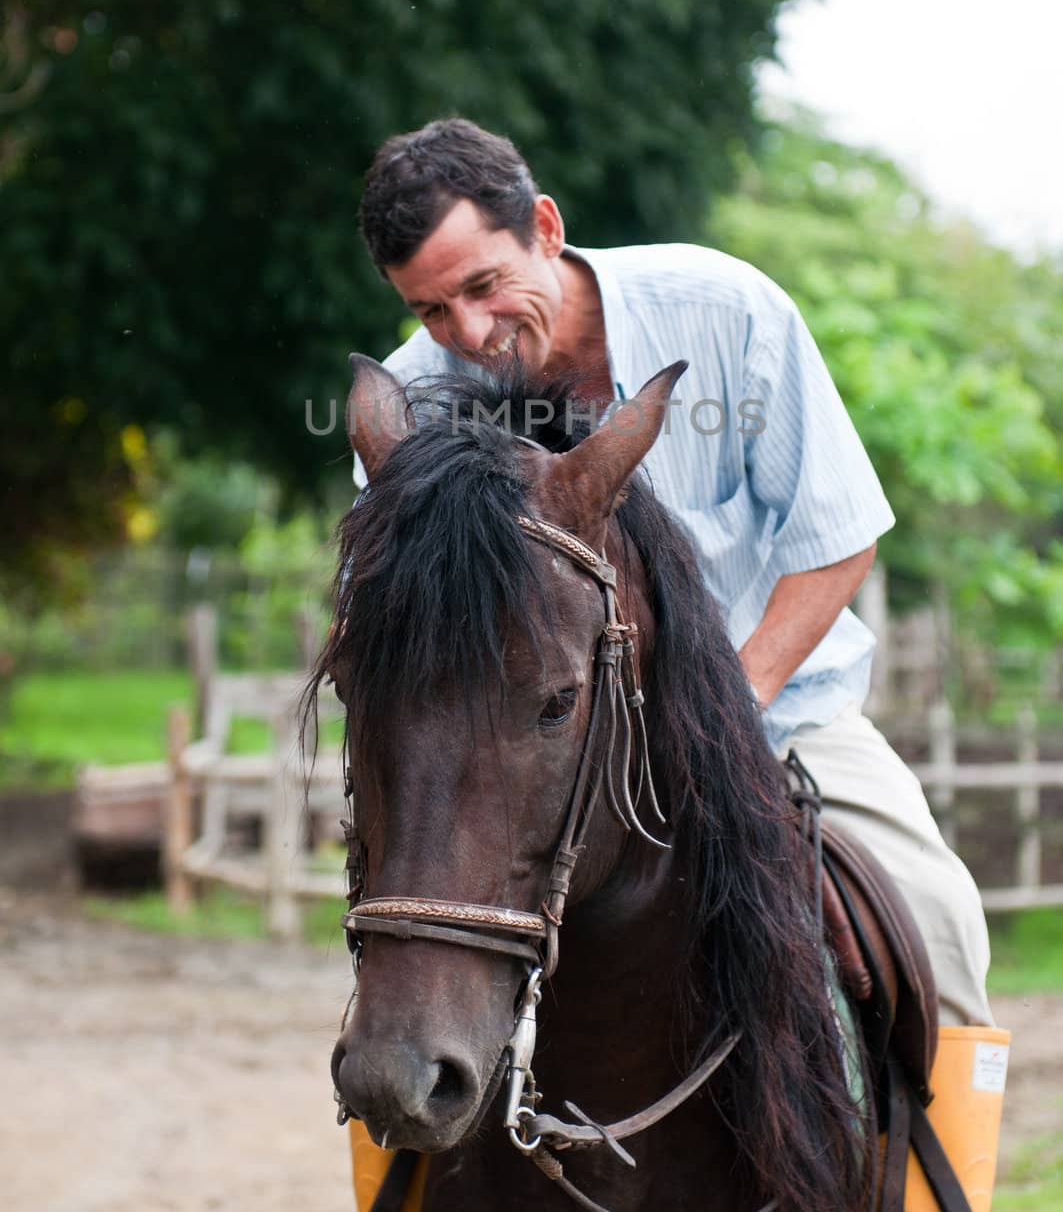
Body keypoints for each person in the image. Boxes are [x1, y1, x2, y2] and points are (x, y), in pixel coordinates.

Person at [355, 115, 992, 1027]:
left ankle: (947, 1174)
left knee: (938, 925)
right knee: (398, 1002)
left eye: (483, 286)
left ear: (543, 225)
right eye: (430, 309)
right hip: (522, 758)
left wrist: (730, 704)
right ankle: (396, 1174)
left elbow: (837, 536)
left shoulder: (728, 310)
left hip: (770, 717)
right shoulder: (413, 401)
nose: (469, 331)